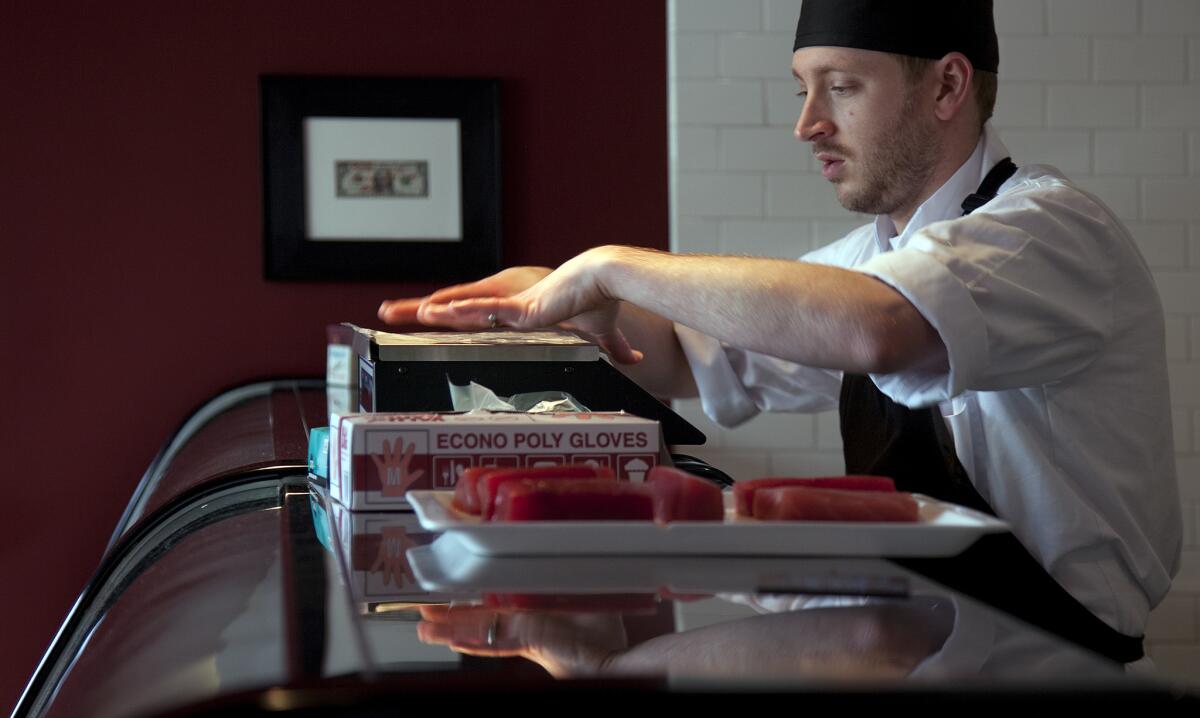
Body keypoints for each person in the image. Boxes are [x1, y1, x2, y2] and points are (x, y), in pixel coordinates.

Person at [377, 0, 1180, 665]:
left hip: (1053, 668)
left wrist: (613, 266)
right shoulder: (872, 258)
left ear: (947, 86)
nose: (807, 125)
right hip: (909, 648)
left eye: (840, 87)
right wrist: (573, 308)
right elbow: (690, 354)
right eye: (802, 89)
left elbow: (876, 327)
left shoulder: (1049, 230)